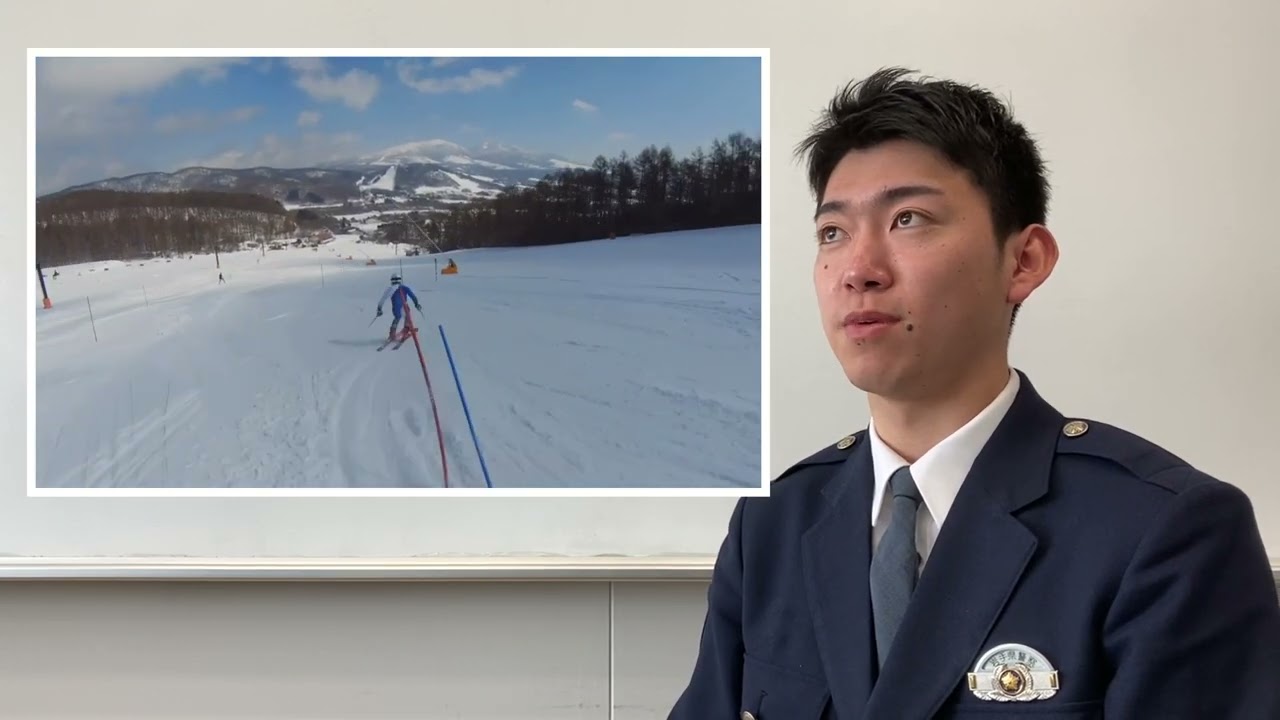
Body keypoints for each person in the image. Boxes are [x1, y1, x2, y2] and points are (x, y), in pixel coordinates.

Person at [668, 68, 1280, 719]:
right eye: (833, 233)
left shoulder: (1162, 533)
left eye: (909, 219)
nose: (858, 271)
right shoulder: (775, 523)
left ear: (1023, 261)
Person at [376, 273, 421, 342]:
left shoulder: (390, 289)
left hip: (396, 307)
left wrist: (379, 309)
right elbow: (413, 296)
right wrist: (416, 304)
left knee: (397, 318)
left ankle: (392, 333)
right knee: (407, 316)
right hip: (404, 306)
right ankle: (406, 328)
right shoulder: (405, 288)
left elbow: (383, 299)